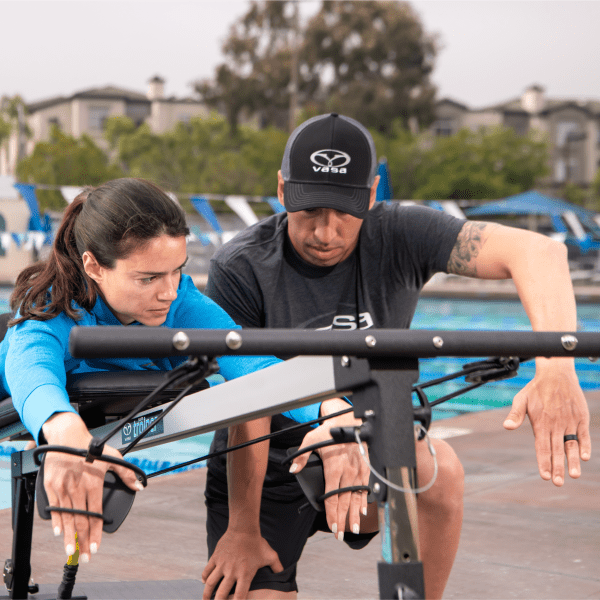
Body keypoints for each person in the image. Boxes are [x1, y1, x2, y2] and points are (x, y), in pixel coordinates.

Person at [202, 113, 591, 600]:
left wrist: (558, 366)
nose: (325, 232)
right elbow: (247, 397)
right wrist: (241, 529)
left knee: (442, 470)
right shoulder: (240, 265)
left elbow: (540, 253)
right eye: (310, 211)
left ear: (370, 195)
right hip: (270, 462)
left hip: (372, 443)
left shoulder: (402, 232)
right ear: (282, 191)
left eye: (344, 211)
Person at [0, 177, 317, 568]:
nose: (168, 292)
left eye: (176, 271)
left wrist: (337, 411)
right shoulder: (48, 309)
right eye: (148, 278)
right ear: (93, 265)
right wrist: (65, 433)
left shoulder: (181, 301)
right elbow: (33, 373)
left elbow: (255, 367)